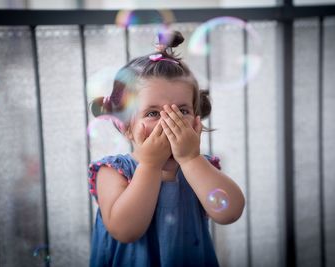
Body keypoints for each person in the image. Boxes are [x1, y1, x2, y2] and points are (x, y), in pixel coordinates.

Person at [87, 31, 245, 267]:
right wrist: (150, 165)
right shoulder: (112, 171)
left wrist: (191, 159)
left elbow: (230, 212)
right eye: (152, 113)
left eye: (182, 110)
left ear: (196, 120)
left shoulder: (201, 168)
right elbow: (126, 230)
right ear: (127, 127)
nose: (169, 122)